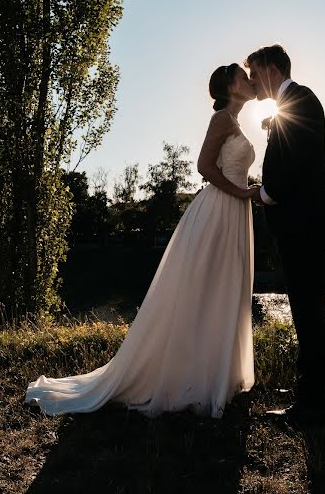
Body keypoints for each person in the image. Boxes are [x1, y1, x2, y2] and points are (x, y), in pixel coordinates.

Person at [25, 63, 258, 419]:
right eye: (243, 76)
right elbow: (204, 168)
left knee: (225, 287)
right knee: (206, 288)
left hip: (235, 210)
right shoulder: (223, 119)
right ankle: (191, 378)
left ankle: (217, 375)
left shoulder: (237, 123)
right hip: (219, 209)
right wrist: (242, 193)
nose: (250, 80)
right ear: (229, 87)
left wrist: (245, 194)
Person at [246, 44, 325, 425]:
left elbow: (293, 165)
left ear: (270, 69)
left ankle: (314, 404)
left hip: (304, 222)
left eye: (254, 74)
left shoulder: (300, 101)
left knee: (309, 310)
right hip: (301, 221)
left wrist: (264, 194)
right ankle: (309, 390)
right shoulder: (293, 102)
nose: (252, 83)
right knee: (305, 308)